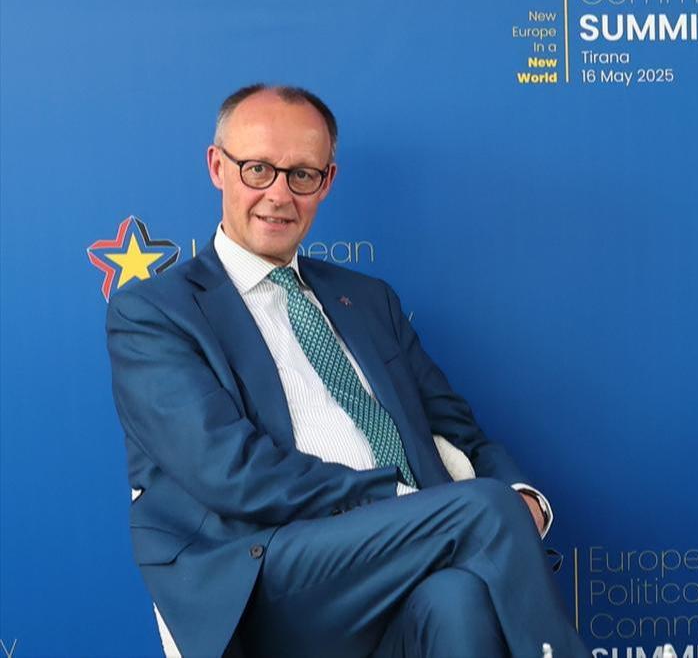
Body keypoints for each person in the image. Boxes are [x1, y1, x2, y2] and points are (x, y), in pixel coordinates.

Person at [107, 84, 588, 658]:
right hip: (266, 570)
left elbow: (458, 431)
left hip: (411, 551)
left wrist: (520, 496)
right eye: (258, 170)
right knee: (483, 510)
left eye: (301, 175)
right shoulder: (156, 313)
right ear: (218, 167)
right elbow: (231, 474)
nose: (278, 195)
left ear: (327, 181)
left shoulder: (368, 300)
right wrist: (396, 499)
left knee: (459, 596)